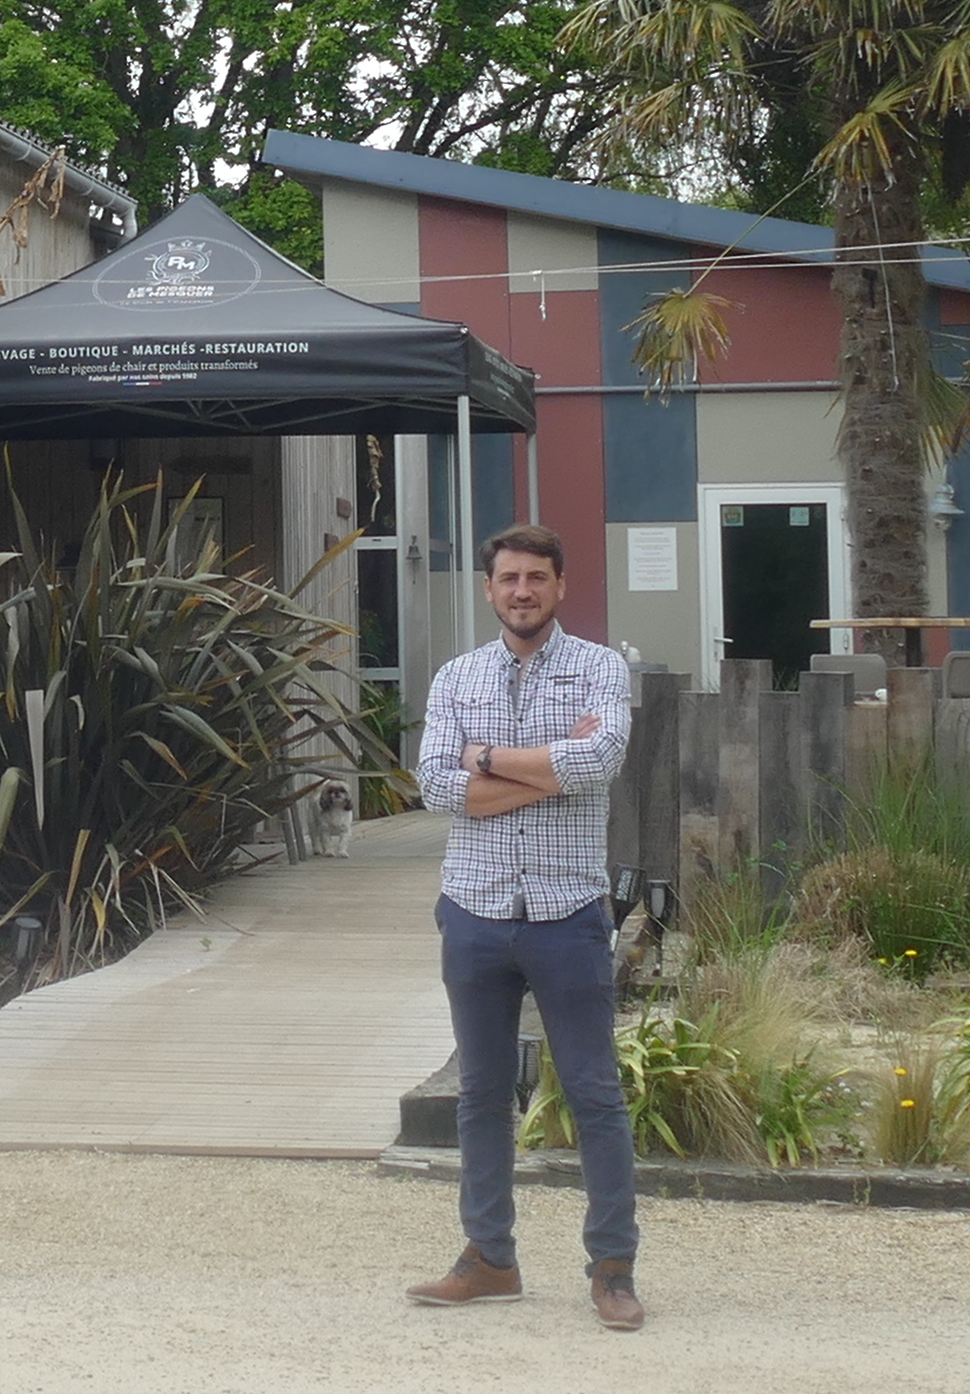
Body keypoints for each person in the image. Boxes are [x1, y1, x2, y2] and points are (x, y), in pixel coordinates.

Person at [401, 522, 642, 1332]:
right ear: (488, 587)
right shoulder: (456, 676)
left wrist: (486, 759)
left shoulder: (599, 668)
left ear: (560, 585)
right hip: (473, 911)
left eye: (537, 577)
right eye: (508, 578)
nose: (522, 591)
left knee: (593, 1092)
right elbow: (435, 788)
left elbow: (600, 761)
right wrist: (543, 765)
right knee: (480, 1094)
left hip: (566, 913)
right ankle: (489, 1259)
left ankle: (612, 1268)